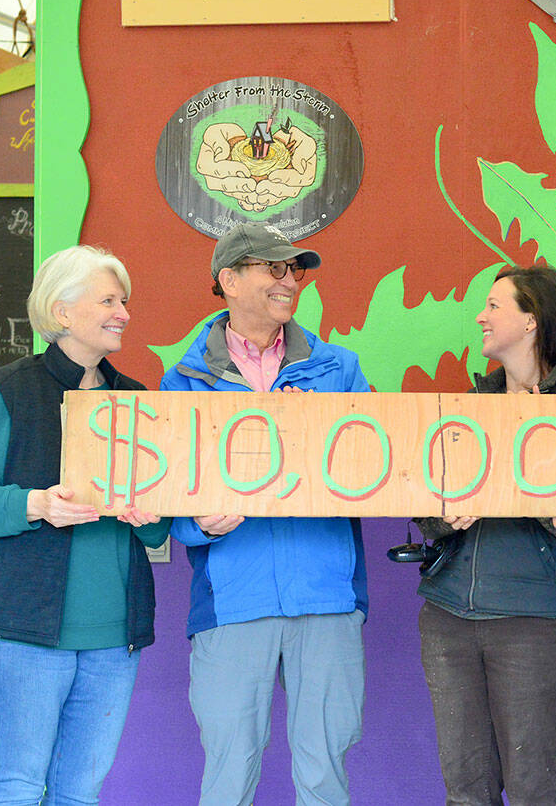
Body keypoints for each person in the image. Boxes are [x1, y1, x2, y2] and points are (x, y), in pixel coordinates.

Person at [0, 245, 170, 803]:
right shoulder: (11, 390)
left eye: (124, 301)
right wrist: (37, 504)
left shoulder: (136, 400)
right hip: (15, 629)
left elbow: (155, 531)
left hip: (113, 637)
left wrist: (149, 514)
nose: (122, 312)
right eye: (107, 300)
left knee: (80, 793)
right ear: (62, 311)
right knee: (18, 786)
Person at [161, 223, 369, 806]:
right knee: (229, 774)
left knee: (325, 774)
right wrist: (198, 524)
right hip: (232, 601)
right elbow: (162, 502)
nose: (288, 280)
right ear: (228, 280)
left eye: (294, 269)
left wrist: (321, 431)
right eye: (272, 268)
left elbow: (378, 470)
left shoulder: (339, 371)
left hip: (328, 595)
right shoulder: (182, 383)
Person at [410, 265, 556, 806]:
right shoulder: (465, 409)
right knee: (465, 791)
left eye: (494, 305)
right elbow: (425, 512)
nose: (481, 317)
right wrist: (448, 518)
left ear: (532, 320)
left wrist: (535, 491)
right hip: (448, 617)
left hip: (536, 619)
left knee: (535, 788)